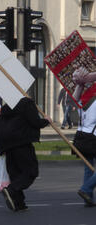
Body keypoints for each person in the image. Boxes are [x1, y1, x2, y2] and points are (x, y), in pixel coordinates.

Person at [0, 97, 51, 212]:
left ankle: (18, 202)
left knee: (15, 173)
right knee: (31, 171)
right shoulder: (27, 103)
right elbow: (34, 122)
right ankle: (11, 190)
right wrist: (46, 120)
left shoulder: (7, 106)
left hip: (7, 144)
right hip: (22, 141)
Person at [71, 67, 96, 207]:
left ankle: (89, 197)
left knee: (88, 167)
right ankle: (86, 189)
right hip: (93, 138)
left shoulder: (81, 99)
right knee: (89, 167)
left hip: (80, 136)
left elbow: (73, 100)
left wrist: (80, 83)